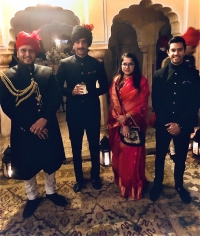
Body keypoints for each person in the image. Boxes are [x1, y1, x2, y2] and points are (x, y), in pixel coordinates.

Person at [0, 30, 67, 218]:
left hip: (47, 126)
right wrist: (30, 125)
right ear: (17, 52)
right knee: (27, 163)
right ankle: (32, 197)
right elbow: (6, 106)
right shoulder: (7, 77)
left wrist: (43, 119)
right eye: (23, 50)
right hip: (23, 130)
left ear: (35, 52)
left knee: (50, 160)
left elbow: (55, 97)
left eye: (30, 50)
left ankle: (51, 192)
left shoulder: (46, 72)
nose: (27, 54)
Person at [56, 24, 108, 193]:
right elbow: (57, 87)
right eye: (78, 42)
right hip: (74, 112)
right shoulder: (65, 63)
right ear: (73, 44)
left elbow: (105, 86)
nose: (81, 45)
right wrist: (70, 91)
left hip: (92, 110)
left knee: (94, 145)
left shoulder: (97, 63)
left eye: (84, 42)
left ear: (88, 43)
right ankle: (79, 178)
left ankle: (95, 176)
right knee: (76, 146)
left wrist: (93, 91)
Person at [150, 36, 199, 204]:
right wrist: (169, 124)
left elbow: (194, 102)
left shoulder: (193, 74)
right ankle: (157, 183)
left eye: (179, 50)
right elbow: (156, 102)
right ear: (168, 52)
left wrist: (180, 124)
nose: (176, 53)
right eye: (173, 50)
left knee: (180, 157)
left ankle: (179, 185)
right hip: (164, 123)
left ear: (184, 51)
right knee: (160, 156)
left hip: (183, 125)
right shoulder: (159, 74)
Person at [108, 53, 150, 199]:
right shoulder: (116, 81)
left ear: (135, 65)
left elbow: (143, 104)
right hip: (119, 123)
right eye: (124, 64)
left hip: (135, 125)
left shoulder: (141, 81)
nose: (127, 67)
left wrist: (127, 118)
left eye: (130, 64)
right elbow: (114, 104)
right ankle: (123, 183)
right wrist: (122, 122)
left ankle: (134, 186)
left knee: (133, 157)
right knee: (121, 156)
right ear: (121, 65)